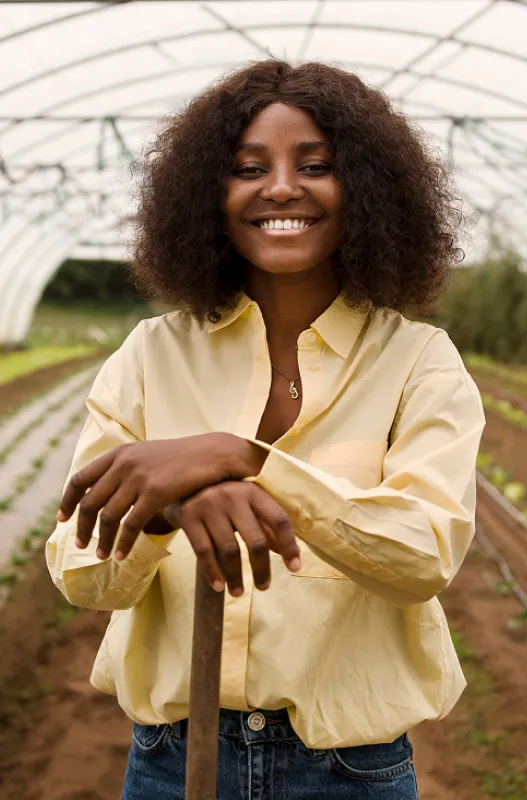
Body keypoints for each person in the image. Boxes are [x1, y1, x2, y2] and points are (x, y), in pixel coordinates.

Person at [46, 59, 484, 799]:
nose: (281, 187)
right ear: (209, 197)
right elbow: (82, 575)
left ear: (369, 193)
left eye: (316, 166)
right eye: (249, 168)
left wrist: (242, 461)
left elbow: (424, 554)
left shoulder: (417, 361)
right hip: (170, 765)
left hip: (350, 772)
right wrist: (167, 510)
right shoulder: (151, 356)